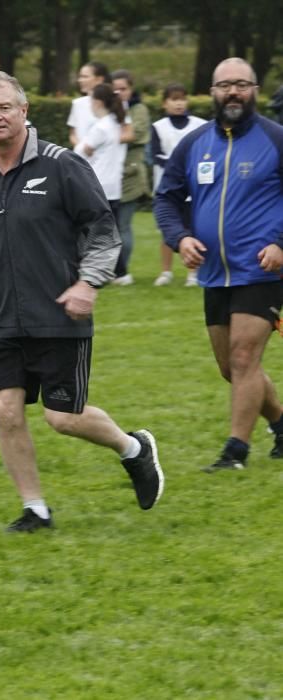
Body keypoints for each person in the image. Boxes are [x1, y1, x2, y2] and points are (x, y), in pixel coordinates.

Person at [0, 71, 164, 533]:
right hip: (1, 319)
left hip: (59, 315)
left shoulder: (62, 166)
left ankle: (133, 448)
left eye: (5, 108)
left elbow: (103, 230)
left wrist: (88, 283)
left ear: (24, 112)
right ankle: (35, 509)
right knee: (3, 409)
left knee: (63, 418)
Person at [154, 57, 283, 472]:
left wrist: (281, 244)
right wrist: (181, 237)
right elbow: (166, 198)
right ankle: (281, 423)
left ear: (255, 90)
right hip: (213, 273)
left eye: (241, 84)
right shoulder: (193, 144)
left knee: (245, 359)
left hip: (263, 269)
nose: (233, 92)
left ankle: (235, 453)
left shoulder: (275, 139)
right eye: (225, 85)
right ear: (211, 92)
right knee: (232, 368)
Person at [151, 83, 207, 287]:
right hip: (167, 188)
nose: (178, 104)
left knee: (194, 231)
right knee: (168, 231)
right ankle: (166, 271)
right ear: (165, 103)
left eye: (182, 99)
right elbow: (155, 155)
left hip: (195, 189)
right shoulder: (158, 126)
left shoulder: (200, 125)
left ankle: (193, 272)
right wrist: (178, 166)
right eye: (174, 99)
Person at [111, 69, 151, 286]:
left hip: (130, 176)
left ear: (131, 89)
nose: (118, 93)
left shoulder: (139, 110)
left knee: (122, 226)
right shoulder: (107, 111)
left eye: (123, 89)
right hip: (107, 176)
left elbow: (133, 134)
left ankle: (122, 271)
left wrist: (102, 136)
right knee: (107, 227)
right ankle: (111, 269)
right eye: (114, 89)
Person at [74, 83, 126, 216]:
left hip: (99, 186)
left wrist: (85, 149)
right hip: (112, 187)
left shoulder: (100, 128)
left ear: (97, 102)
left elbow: (80, 153)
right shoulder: (114, 123)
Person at [67, 61, 112, 146]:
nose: (80, 80)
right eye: (80, 76)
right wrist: (82, 148)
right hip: (81, 157)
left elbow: (127, 134)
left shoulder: (115, 101)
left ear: (99, 79)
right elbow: (73, 134)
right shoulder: (77, 104)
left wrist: (94, 145)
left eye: (85, 77)